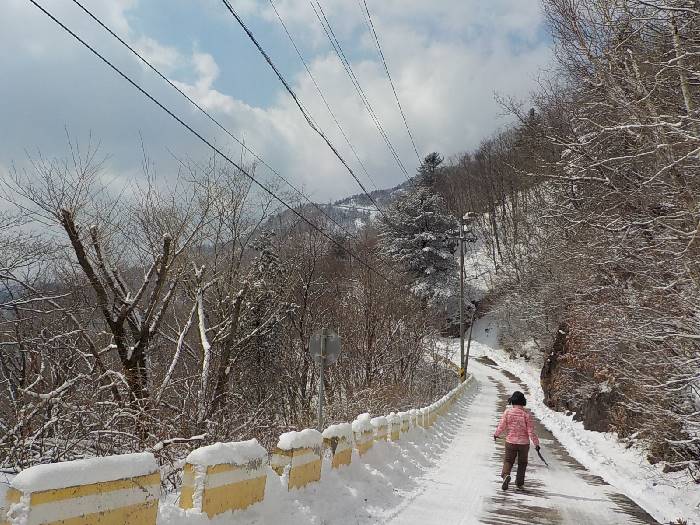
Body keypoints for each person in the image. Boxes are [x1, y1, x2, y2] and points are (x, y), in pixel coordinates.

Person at [493, 390, 540, 490]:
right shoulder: (526, 414)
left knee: (508, 461)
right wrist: (536, 444)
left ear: (512, 401)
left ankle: (506, 476)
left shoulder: (508, 412)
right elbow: (531, 431)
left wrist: (496, 434)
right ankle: (519, 483)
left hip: (510, 442)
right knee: (522, 463)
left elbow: (502, 426)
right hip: (524, 444)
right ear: (523, 401)